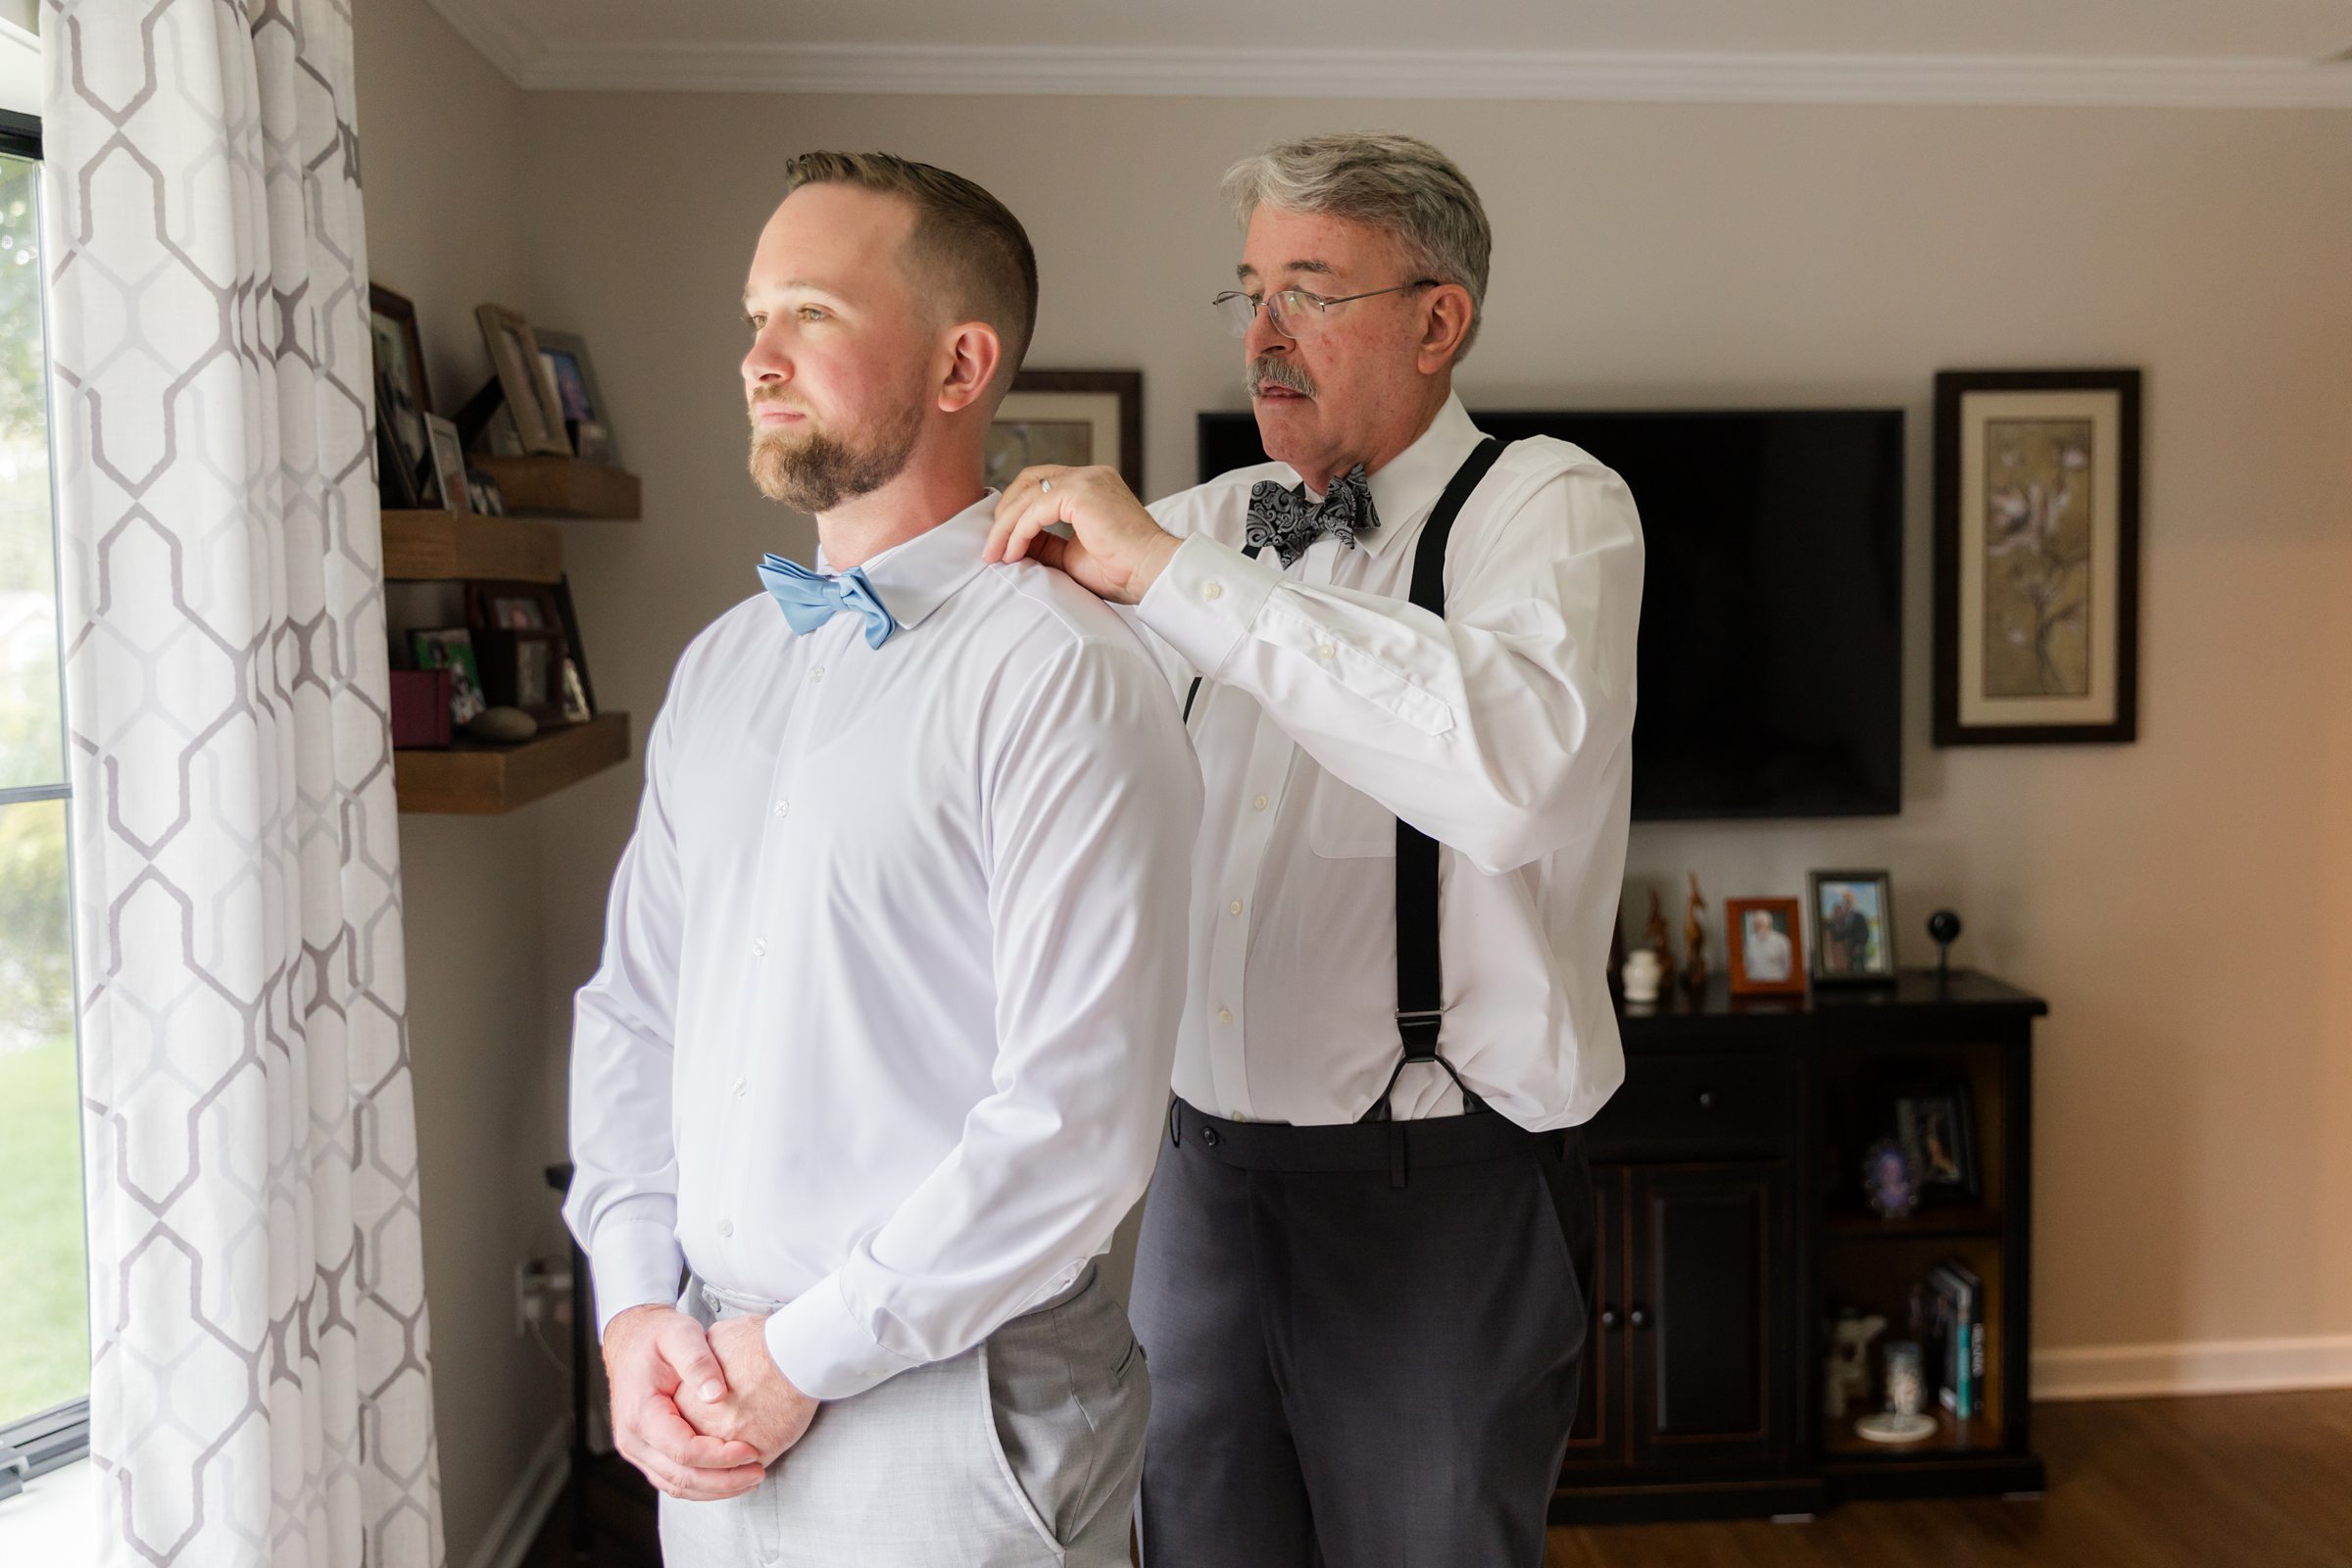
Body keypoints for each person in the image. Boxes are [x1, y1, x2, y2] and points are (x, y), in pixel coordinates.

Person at [989, 130, 1644, 1567]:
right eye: (1250, 293)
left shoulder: (1548, 504)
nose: (1262, 335)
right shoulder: (1216, 526)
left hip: (1440, 1198)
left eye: (1309, 291)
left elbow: (1517, 773)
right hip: (1199, 1192)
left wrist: (1176, 580)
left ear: (1437, 320)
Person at [562, 151, 1200, 1568]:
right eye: (754, 317)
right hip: (707, 1382)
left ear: (961, 363)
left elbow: (1076, 1120)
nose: (757, 358)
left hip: (956, 1404)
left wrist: (800, 1356)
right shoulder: (721, 668)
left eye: (811, 313)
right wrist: (633, 1308)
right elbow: (635, 1014)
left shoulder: (1065, 674)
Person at [1745, 908, 1793, 982]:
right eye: (1757, 924)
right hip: (1755, 983)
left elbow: (1789, 966)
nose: (1759, 926)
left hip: (1777, 983)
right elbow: (1747, 965)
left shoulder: (1782, 940)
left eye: (1762, 923)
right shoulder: (1750, 942)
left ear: (1769, 924)